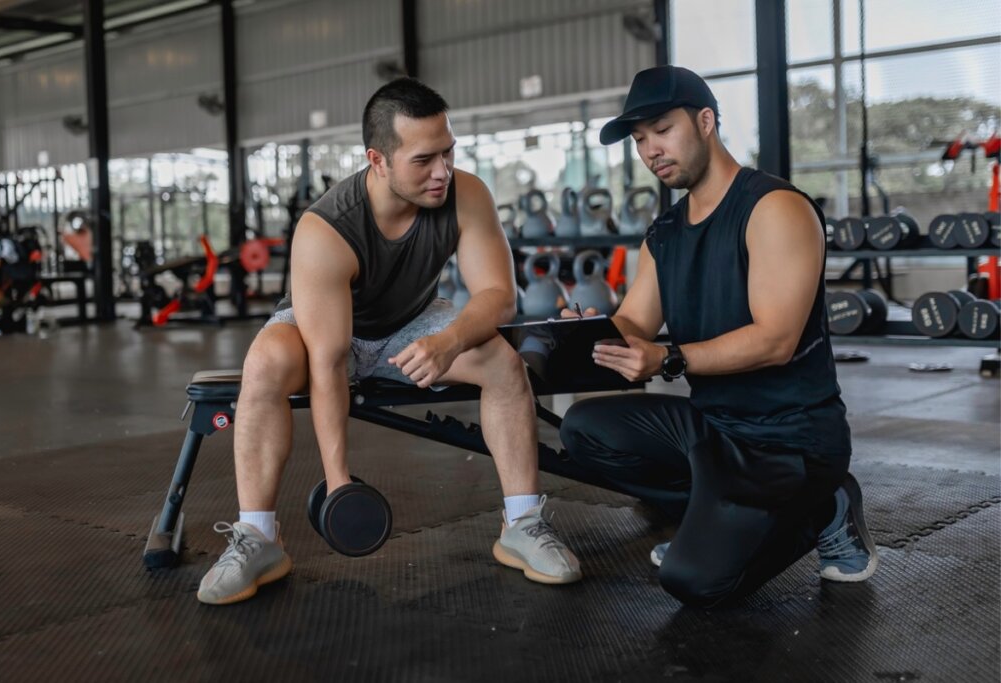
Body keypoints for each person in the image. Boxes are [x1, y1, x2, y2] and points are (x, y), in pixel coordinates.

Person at [197, 78, 582, 605]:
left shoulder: (464, 194)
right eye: (424, 160)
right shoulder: (327, 228)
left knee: (501, 363)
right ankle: (258, 538)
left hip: (413, 322)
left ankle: (522, 525)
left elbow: (498, 295)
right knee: (264, 362)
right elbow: (330, 360)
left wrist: (448, 341)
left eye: (448, 152)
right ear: (378, 160)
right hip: (327, 329)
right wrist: (338, 486)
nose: (443, 171)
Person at [559, 66, 878, 608]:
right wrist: (587, 333)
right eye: (639, 140)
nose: (650, 150)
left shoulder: (774, 209)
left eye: (662, 129)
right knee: (583, 428)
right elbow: (633, 322)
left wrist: (667, 359)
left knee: (697, 582)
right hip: (714, 430)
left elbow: (775, 339)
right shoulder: (663, 233)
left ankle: (827, 505)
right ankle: (712, 519)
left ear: (705, 120)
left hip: (790, 441)